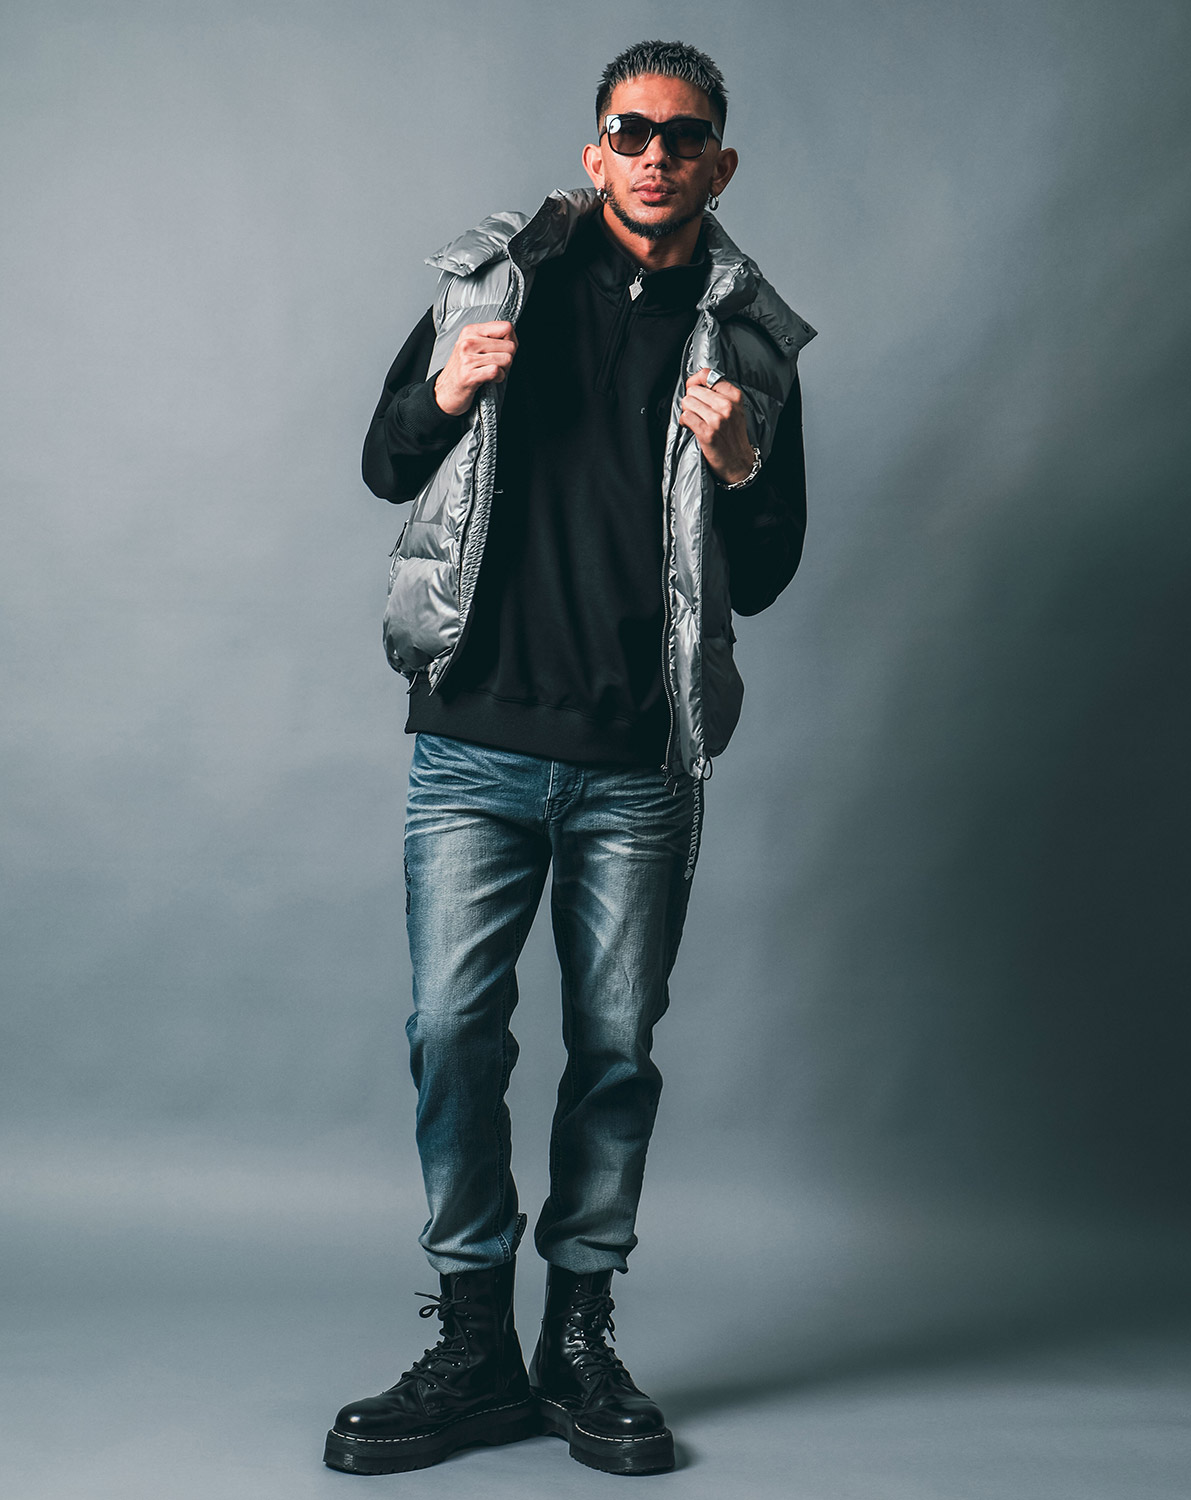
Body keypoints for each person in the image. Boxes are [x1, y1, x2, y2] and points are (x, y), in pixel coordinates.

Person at [324, 38, 815, 1479]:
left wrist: (740, 468)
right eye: (631, 131)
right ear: (595, 150)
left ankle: (578, 1339)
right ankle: (475, 1342)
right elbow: (385, 463)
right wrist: (446, 391)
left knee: (613, 1055)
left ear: (720, 163)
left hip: (637, 760)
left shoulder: (750, 341)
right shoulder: (494, 284)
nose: (656, 156)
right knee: (452, 1036)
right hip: (473, 741)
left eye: (685, 137)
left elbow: (768, 570)